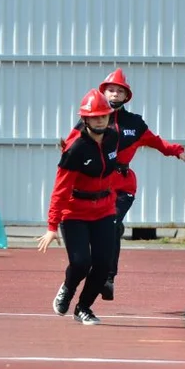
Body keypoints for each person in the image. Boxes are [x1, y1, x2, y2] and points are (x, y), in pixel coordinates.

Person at [64, 69, 185, 301]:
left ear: (127, 97)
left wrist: (178, 152)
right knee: (94, 234)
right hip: (97, 187)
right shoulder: (91, 120)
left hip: (123, 187)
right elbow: (72, 143)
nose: (114, 95)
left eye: (119, 91)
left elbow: (156, 142)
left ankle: (108, 278)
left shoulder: (134, 124)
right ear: (103, 93)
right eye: (111, 91)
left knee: (114, 223)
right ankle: (88, 272)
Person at [37, 89, 120, 325]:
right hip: (74, 213)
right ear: (85, 119)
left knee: (104, 264)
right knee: (82, 262)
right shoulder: (75, 149)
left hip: (104, 210)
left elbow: (114, 169)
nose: (100, 119)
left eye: (104, 115)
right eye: (94, 116)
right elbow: (60, 189)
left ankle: (83, 308)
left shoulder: (113, 138)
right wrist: (52, 226)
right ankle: (68, 287)